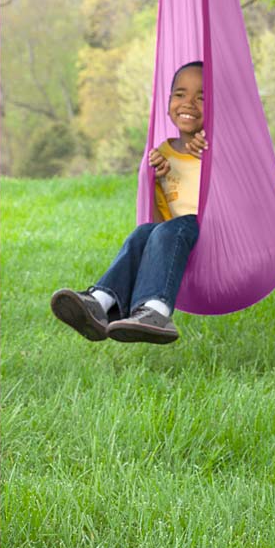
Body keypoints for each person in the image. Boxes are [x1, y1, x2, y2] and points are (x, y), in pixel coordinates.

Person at [50, 62, 207, 346]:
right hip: (175, 235)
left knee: (171, 229)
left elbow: (235, 188)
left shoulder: (215, 145)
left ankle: (156, 311)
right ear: (168, 100)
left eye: (202, 97)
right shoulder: (163, 153)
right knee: (143, 233)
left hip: (212, 235)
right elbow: (162, 216)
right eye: (180, 94)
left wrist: (211, 155)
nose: (189, 104)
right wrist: (157, 179)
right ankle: (101, 303)